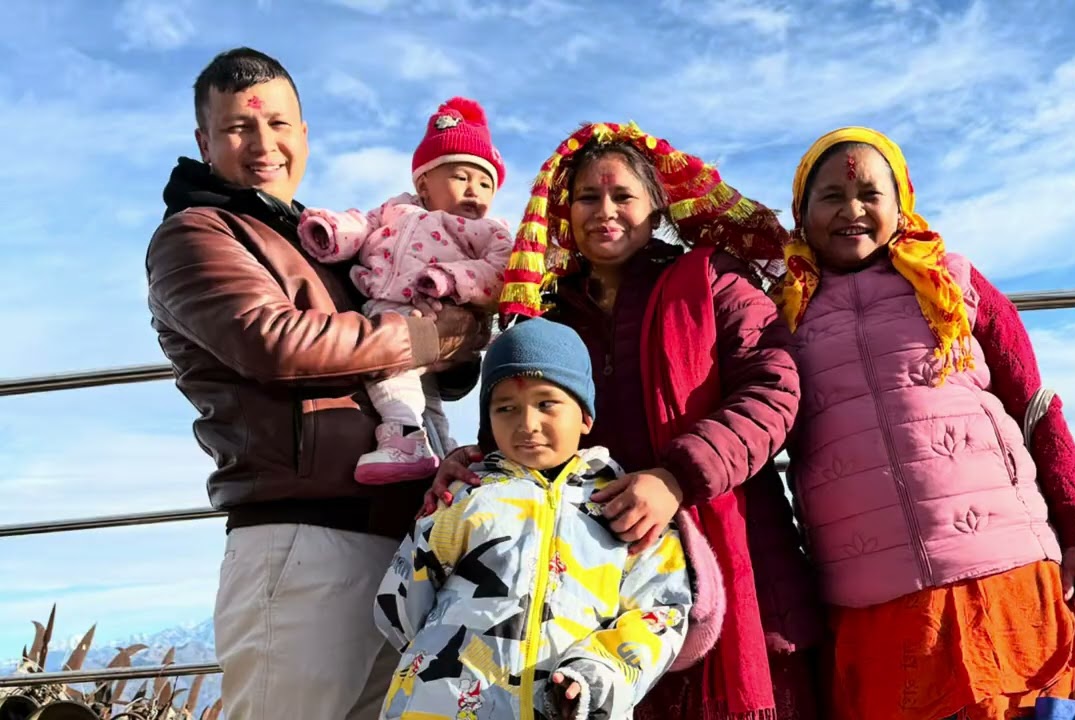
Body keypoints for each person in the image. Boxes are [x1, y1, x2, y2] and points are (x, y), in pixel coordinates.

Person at [424, 122, 825, 719]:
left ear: (656, 205)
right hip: (593, 569)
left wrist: (676, 478)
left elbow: (774, 387)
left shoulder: (713, 279)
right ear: (565, 208)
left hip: (730, 541)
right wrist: (479, 465)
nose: (604, 212)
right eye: (587, 197)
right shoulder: (549, 315)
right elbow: (518, 426)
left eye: (622, 197)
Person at [144, 47, 488, 720]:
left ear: (304, 134)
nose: (263, 144)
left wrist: (458, 331)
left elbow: (445, 374)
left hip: (400, 544)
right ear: (204, 141)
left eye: (278, 125)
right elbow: (274, 344)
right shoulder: (196, 233)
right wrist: (435, 334)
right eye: (239, 128)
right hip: (301, 542)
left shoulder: (320, 241)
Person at [773, 126, 1075, 720]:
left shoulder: (951, 281)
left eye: (871, 195)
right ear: (802, 212)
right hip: (872, 595)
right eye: (830, 196)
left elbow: (1035, 408)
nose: (851, 210)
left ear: (900, 201)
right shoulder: (782, 311)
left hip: (1006, 577)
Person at [375, 318, 725, 719]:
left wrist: (598, 674)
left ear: (585, 417)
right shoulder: (466, 496)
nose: (527, 424)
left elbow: (660, 611)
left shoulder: (624, 505)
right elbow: (399, 606)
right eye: (505, 407)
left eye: (547, 404)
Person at [299, 96, 513, 484]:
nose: (475, 191)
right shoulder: (396, 210)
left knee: (389, 374)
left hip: (427, 313)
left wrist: (450, 279)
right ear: (424, 184)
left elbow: (499, 271)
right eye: (462, 177)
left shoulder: (485, 230)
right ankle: (443, 454)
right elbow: (359, 225)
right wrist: (331, 231)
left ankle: (404, 439)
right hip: (383, 304)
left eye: (486, 183)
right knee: (425, 400)